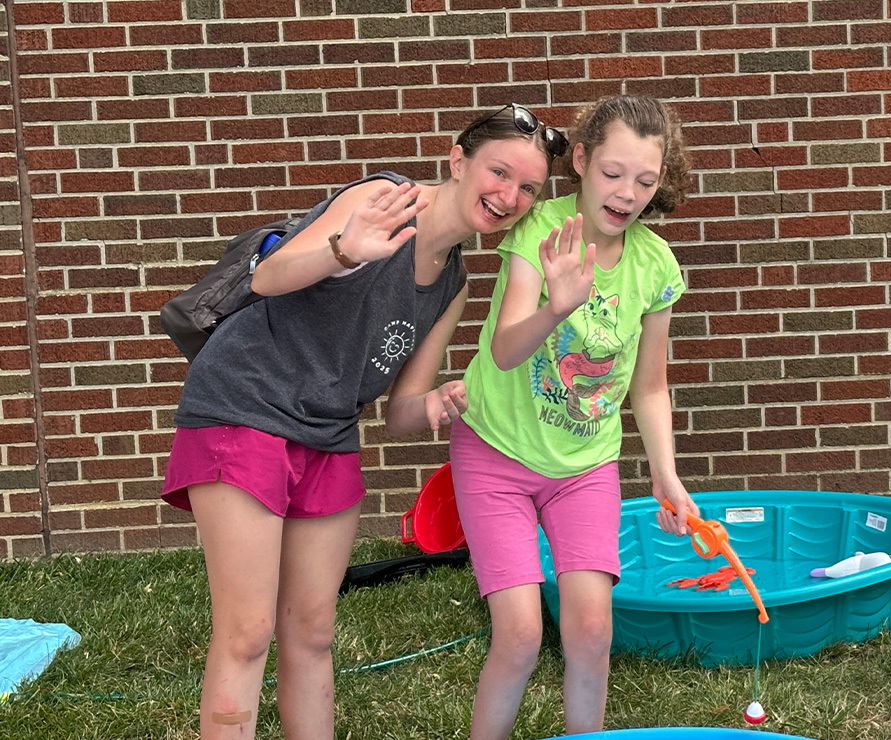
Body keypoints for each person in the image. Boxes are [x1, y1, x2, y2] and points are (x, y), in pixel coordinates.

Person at [160, 104, 566, 739]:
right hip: (245, 407)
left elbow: (400, 412)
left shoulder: (453, 283)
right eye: (499, 172)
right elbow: (268, 277)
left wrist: (435, 402)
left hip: (328, 434)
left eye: (528, 189)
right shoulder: (385, 198)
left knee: (313, 629)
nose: (509, 196)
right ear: (458, 160)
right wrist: (342, 250)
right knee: (248, 631)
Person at [450, 95, 698, 739]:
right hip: (496, 452)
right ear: (582, 161)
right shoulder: (541, 229)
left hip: (585, 465)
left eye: (645, 180)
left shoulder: (655, 265)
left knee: (591, 630)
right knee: (521, 635)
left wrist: (665, 475)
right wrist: (557, 307)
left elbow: (649, 385)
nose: (627, 193)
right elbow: (505, 351)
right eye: (613, 173)